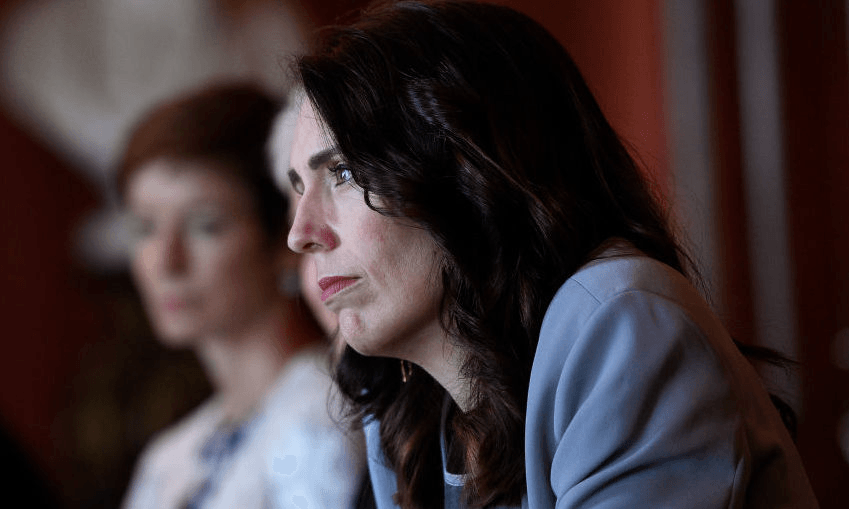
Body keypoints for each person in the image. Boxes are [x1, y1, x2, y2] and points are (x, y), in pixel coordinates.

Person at [282, 2, 820, 508]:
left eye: (345, 173)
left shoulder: (620, 325)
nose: (300, 234)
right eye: (297, 188)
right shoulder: (408, 405)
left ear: (470, 169)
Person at [117, 82, 364, 509]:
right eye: (145, 229)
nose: (166, 262)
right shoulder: (168, 457)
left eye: (205, 225)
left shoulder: (322, 414)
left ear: (284, 237)